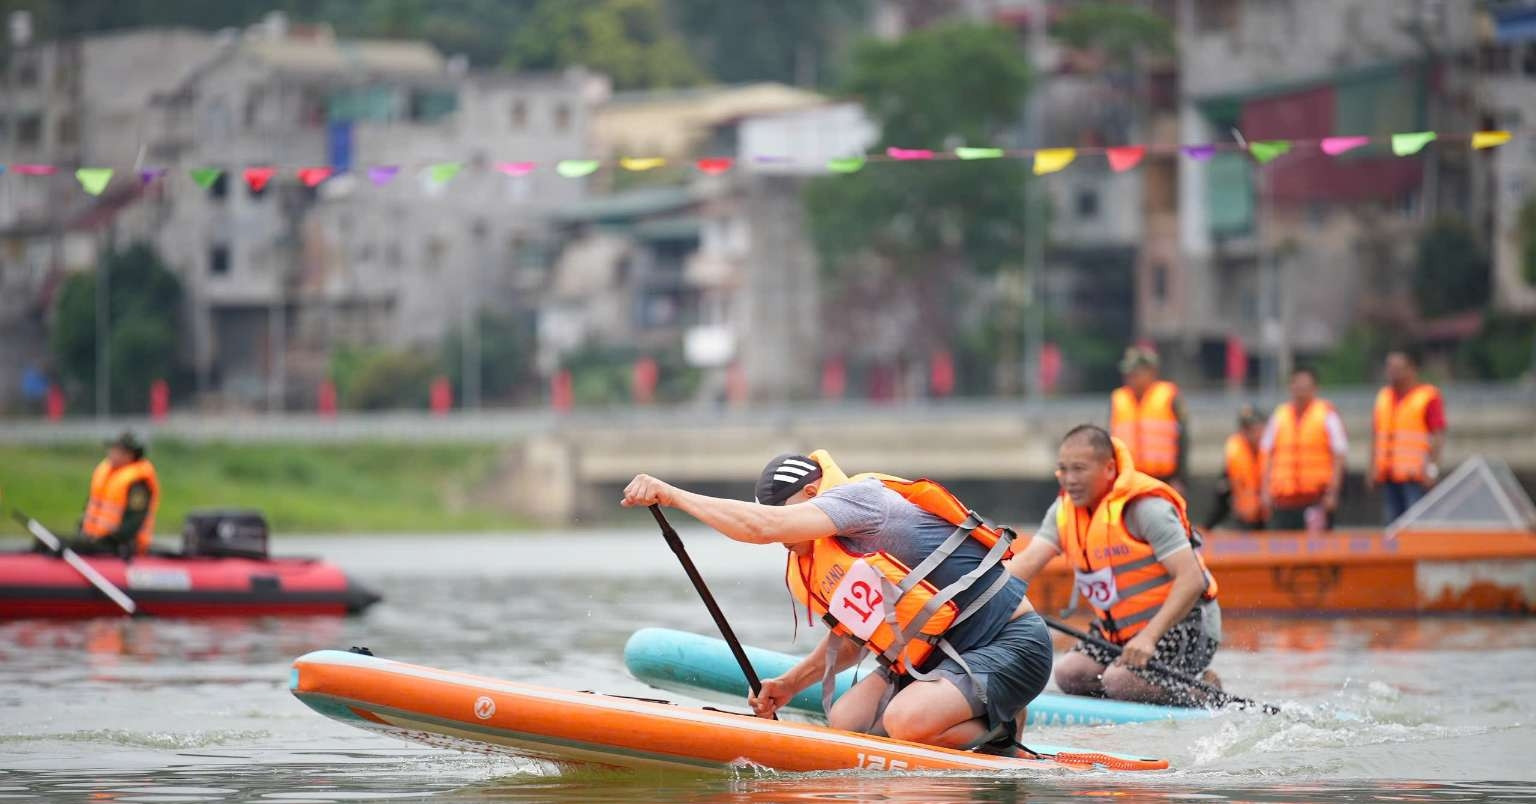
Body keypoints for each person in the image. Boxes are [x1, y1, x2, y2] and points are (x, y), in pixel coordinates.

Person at [621, 450, 1052, 753]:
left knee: (904, 723)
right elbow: (860, 637)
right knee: (846, 720)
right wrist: (789, 684)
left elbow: (760, 527)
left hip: (1010, 643)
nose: (785, 539)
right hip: (936, 658)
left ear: (812, 496)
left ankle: (1003, 725)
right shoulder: (811, 561)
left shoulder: (859, 499)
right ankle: (945, 722)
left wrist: (673, 495)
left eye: (789, 518)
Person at [1006, 425, 1221, 706]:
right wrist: (971, 587)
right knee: (1069, 673)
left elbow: (1192, 580)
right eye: (1063, 470)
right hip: (1119, 631)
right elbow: (1026, 563)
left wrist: (1148, 638)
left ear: (1108, 468)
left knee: (1119, 681)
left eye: (1079, 469)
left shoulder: (1145, 507)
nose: (1069, 480)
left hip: (1183, 624)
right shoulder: (1063, 511)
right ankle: (1132, 692)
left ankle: (1201, 692)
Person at [1260, 367, 1347, 531]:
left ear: (1315, 388)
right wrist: (1265, 490)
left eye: (1305, 387)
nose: (1301, 392)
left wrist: (1333, 492)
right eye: (1297, 386)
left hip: (1316, 498)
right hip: (1284, 499)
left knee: (1318, 551)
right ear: (1290, 387)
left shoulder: (1326, 414)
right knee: (1283, 550)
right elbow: (1267, 453)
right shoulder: (1279, 415)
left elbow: (1339, 454)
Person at [1368, 349, 1446, 524]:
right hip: (1389, 475)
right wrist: (1372, 467)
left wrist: (1431, 470)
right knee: (1392, 527)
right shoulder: (1383, 397)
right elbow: (1376, 435)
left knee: (1414, 525)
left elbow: (1438, 436)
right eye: (1389, 368)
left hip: (1415, 477)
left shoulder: (1427, 396)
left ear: (1411, 369)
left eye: (1397, 368)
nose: (1392, 372)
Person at [1109, 346, 1187, 492]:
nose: (1130, 378)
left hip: (1164, 478)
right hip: (1130, 478)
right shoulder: (1118, 399)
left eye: (1136, 374)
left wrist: (1180, 477)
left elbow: (1183, 439)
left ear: (1151, 372)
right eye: (1128, 374)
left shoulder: (1169, 396)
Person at [76, 432, 159, 557]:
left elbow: (133, 521)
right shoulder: (106, 474)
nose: (111, 454)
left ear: (130, 455)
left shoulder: (138, 483)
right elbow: (91, 509)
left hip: (120, 545)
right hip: (94, 540)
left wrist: (108, 541)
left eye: (117, 451)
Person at [1202, 406, 1268, 531]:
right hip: (1242, 519)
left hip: (1268, 519)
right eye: (1249, 429)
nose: (1255, 433)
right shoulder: (1235, 452)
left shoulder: (1271, 451)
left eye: (1258, 428)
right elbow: (1222, 496)